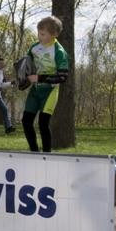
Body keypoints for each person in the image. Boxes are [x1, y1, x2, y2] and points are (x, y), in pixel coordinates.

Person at [22, 16, 69, 152]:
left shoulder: (59, 52)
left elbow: (62, 76)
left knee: (43, 123)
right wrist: (22, 77)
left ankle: (47, 155)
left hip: (50, 91)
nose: (39, 36)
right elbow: (27, 66)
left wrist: (39, 78)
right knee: (26, 121)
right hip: (35, 90)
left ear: (54, 34)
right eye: (38, 33)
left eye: (43, 34)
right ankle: (34, 152)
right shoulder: (34, 48)